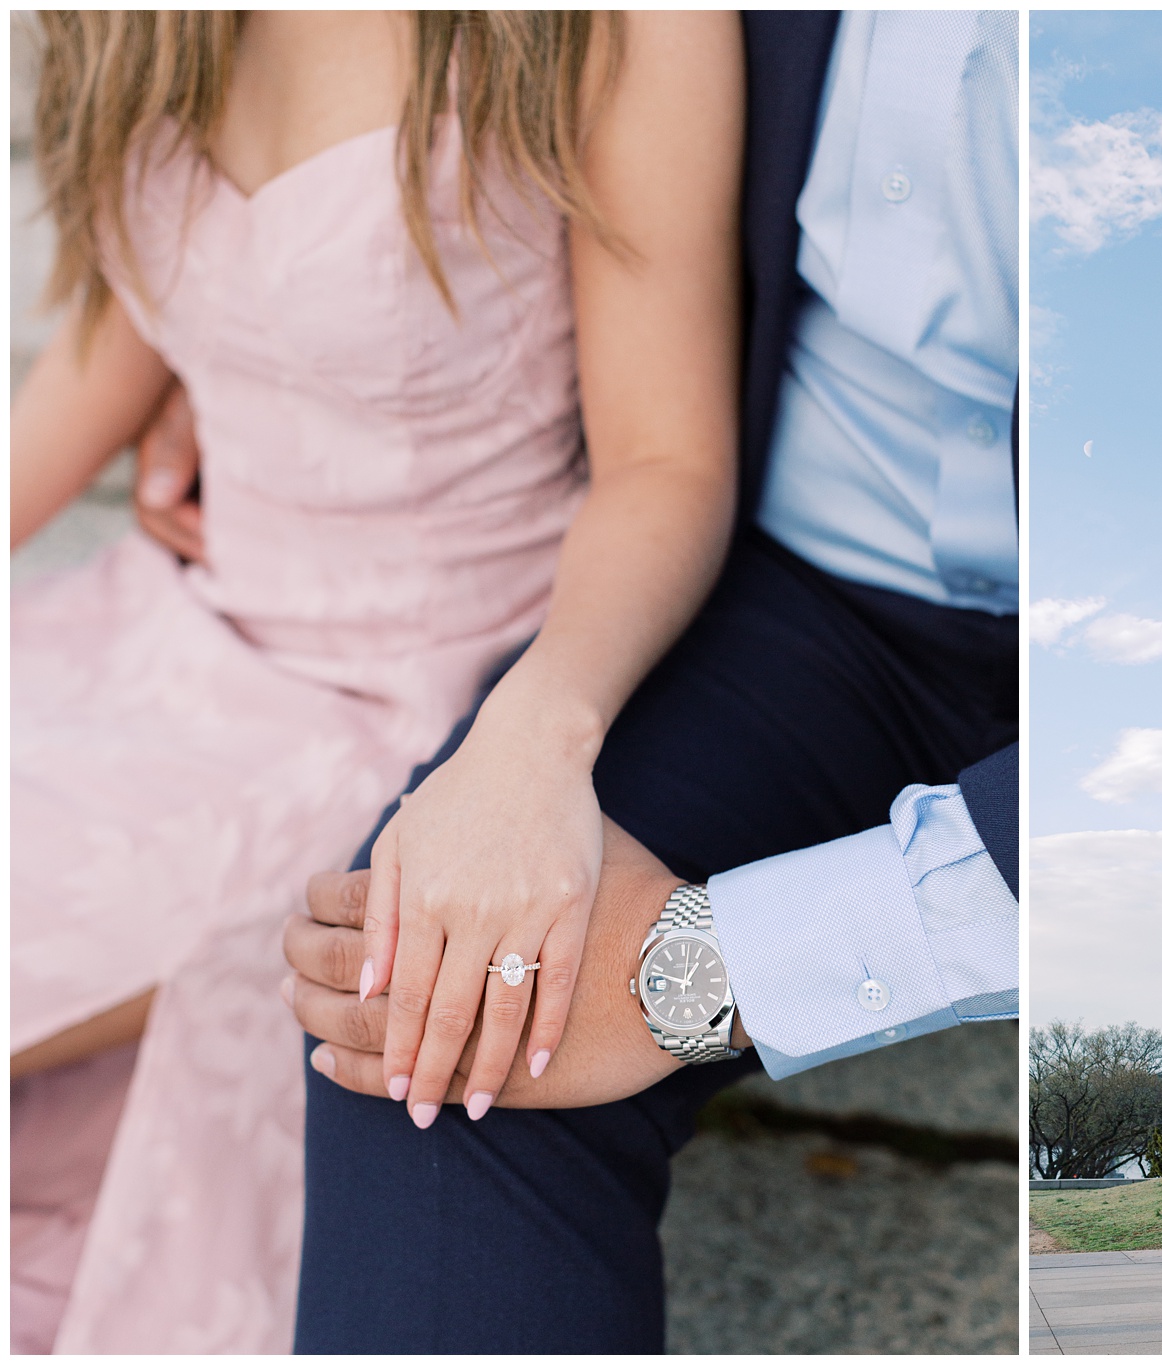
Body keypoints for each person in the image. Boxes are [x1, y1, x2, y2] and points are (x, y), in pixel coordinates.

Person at [148, 11, 1020, 1352]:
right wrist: (236, 339)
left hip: (1150, 630)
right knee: (435, 1012)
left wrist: (711, 964)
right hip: (803, 579)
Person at [10, 11, 746, 1352]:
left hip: (412, 703)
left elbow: (667, 462)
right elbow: (109, 337)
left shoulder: (622, 27)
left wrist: (536, 742)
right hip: (165, 635)